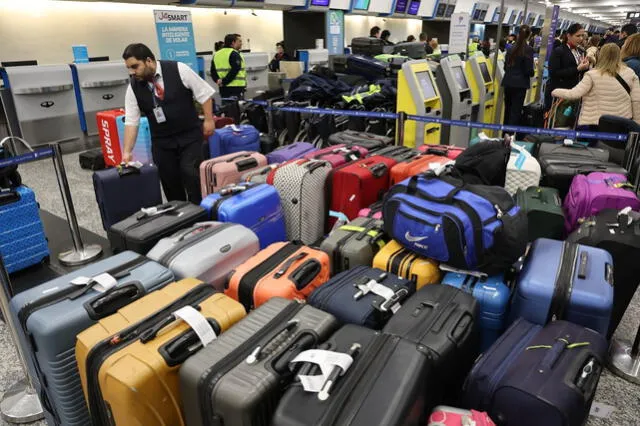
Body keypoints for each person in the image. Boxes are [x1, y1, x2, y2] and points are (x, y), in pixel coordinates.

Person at [121, 43, 215, 204]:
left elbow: (204, 93)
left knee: (191, 175)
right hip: (162, 142)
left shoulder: (179, 69)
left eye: (135, 66)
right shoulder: (134, 87)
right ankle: (181, 219)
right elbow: (131, 121)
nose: (132, 72)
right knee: (170, 183)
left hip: (189, 136)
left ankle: (200, 217)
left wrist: (208, 119)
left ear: (149, 61)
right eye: (129, 68)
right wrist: (127, 151)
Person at [552, 43, 640, 130]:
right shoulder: (630, 73)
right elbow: (636, 101)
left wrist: (555, 91)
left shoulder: (592, 75)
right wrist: (637, 124)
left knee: (596, 144)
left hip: (597, 122)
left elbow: (574, 94)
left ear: (601, 55)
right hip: (623, 122)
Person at [546, 23, 589, 112]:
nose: (581, 39)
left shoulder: (581, 51)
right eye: (578, 36)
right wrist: (577, 69)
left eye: (582, 36)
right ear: (569, 36)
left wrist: (585, 67)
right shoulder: (559, 51)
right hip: (560, 92)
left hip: (575, 91)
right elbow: (554, 73)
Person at [502, 25, 534, 129]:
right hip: (520, 85)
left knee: (507, 111)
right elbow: (528, 70)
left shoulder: (511, 48)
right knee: (515, 112)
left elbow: (505, 67)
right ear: (529, 36)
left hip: (508, 82)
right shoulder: (528, 49)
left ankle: (504, 137)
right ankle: (510, 137)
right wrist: (532, 73)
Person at [211, 33, 246, 99]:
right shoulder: (234, 53)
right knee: (237, 108)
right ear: (233, 42)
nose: (241, 43)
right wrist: (224, 81)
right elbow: (235, 70)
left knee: (226, 108)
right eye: (239, 41)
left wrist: (218, 81)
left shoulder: (216, 54)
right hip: (236, 87)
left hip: (223, 88)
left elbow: (213, 71)